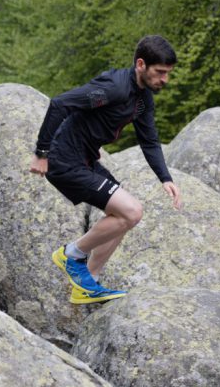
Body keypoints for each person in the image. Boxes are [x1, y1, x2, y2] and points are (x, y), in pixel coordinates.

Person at [29, 35, 183, 304]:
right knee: (132, 211)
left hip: (85, 160)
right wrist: (42, 154)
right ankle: (71, 254)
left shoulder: (142, 98)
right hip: (64, 160)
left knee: (124, 217)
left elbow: (149, 140)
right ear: (140, 64)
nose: (164, 80)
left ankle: (89, 282)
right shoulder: (113, 88)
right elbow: (60, 103)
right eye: (160, 72)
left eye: (168, 73)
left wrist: (165, 178)